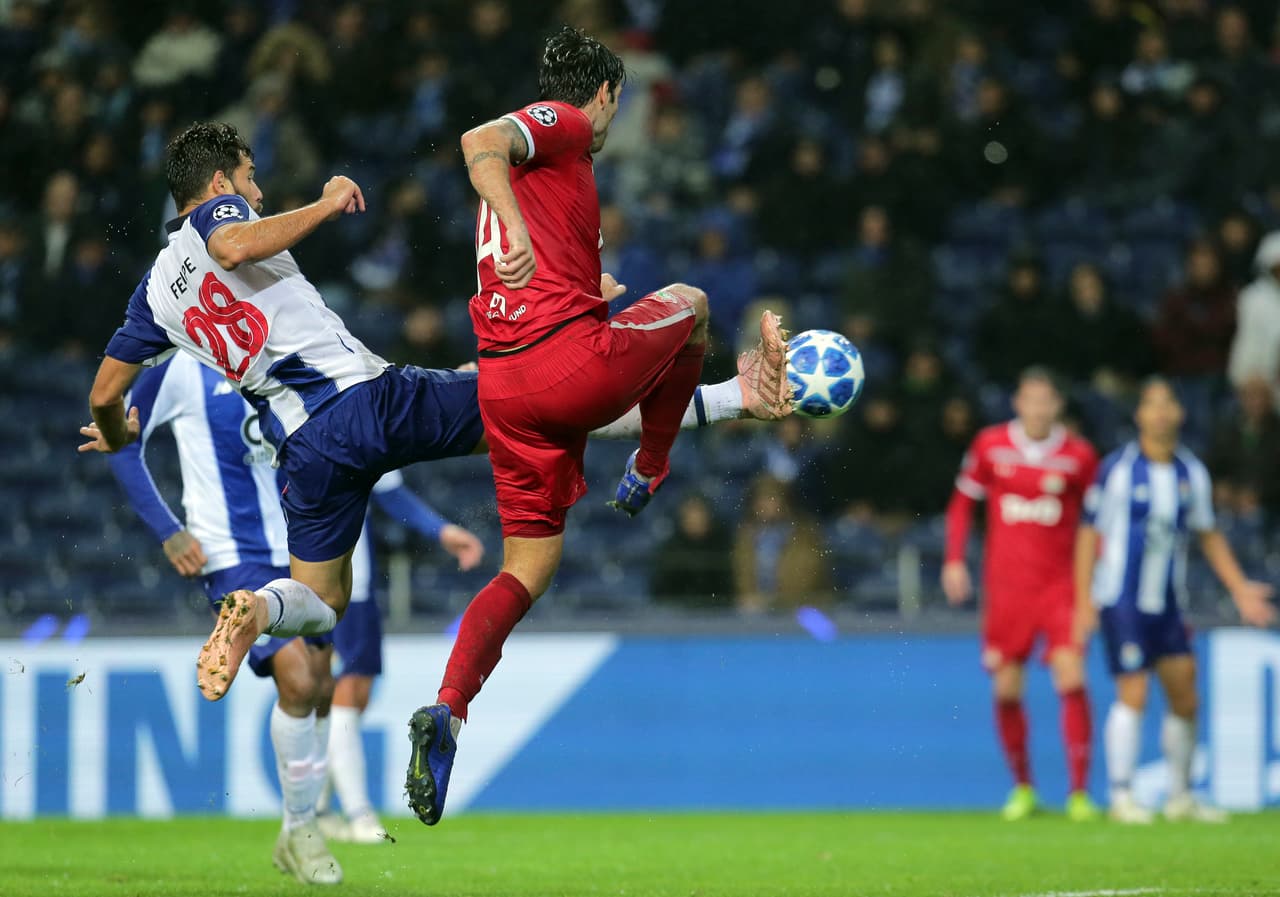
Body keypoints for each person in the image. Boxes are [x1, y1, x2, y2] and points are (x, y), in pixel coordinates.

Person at [74, 120, 789, 826]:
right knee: (541, 399)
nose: (258, 193)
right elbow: (229, 241)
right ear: (220, 180)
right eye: (252, 176)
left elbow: (105, 395)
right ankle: (733, 397)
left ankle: (256, 609)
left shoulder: (153, 291)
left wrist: (117, 434)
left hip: (305, 450)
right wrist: (324, 204)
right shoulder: (219, 215)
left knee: (321, 603)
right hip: (366, 401)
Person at [406, 26, 790, 828]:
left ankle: (448, 708)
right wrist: (512, 226)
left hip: (504, 388)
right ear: (608, 94)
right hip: (558, 366)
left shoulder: (557, 180)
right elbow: (479, 143)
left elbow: (548, 260)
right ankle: (653, 468)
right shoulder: (565, 123)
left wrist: (584, 283)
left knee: (529, 568)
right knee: (691, 304)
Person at [102, 350, 482, 879]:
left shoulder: (282, 349)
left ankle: (296, 827)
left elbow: (363, 392)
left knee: (321, 684)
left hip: (302, 543)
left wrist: (452, 383)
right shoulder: (180, 366)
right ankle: (304, 830)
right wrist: (168, 530)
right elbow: (121, 443)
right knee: (301, 680)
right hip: (232, 552)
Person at [1075, 377, 1276, 824]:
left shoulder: (1192, 473)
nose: (1162, 412)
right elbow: (1089, 533)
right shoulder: (1117, 469)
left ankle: (1180, 795)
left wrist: (1240, 587)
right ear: (1139, 415)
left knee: (1185, 695)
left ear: (1180, 415)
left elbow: (1208, 534)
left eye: (1169, 404)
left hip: (1167, 602)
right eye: (1153, 404)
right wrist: (1083, 600)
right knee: (1134, 690)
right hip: (1121, 597)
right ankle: (1122, 795)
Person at [942, 367, 1100, 822]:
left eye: (1045, 400)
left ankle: (1079, 795)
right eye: (1029, 399)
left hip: (1060, 587)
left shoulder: (1079, 456)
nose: (1037, 408)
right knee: (1007, 688)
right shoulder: (991, 446)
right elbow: (961, 505)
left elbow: (1096, 525)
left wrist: (1090, 590)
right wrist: (954, 559)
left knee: (1071, 676)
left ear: (1057, 405)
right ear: (1017, 403)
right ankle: (1024, 788)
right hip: (1007, 589)